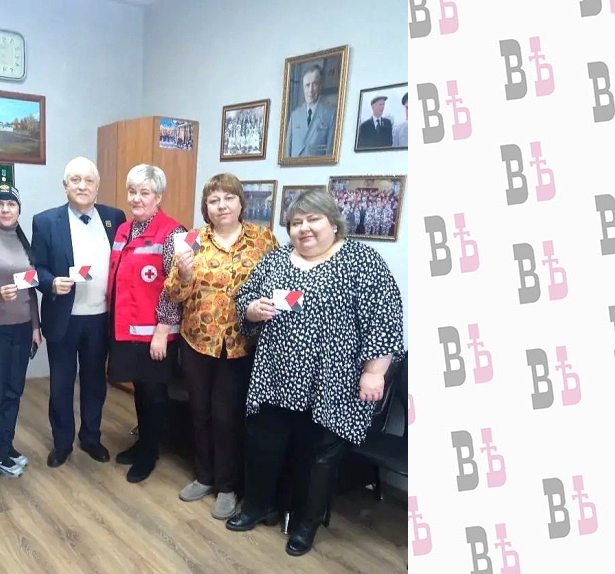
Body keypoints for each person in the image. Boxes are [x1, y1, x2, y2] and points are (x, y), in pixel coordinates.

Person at [225, 189, 405, 557]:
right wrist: (252, 309)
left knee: (317, 457)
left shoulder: (361, 261)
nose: (304, 228)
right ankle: (257, 506)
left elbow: (385, 320)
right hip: (275, 376)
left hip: (331, 382)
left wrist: (374, 372)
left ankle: (305, 525)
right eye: (296, 222)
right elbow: (245, 298)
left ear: (333, 223)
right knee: (263, 445)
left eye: (312, 220)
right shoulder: (276, 259)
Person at [163, 173, 279, 519]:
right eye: (214, 200)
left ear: (242, 203)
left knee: (226, 416)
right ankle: (204, 476)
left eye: (229, 198)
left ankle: (227, 486)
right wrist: (184, 274)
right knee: (199, 411)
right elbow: (173, 293)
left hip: (240, 344)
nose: (222, 206)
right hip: (197, 340)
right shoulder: (192, 240)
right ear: (206, 207)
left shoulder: (263, 240)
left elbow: (276, 284)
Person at [32, 157, 127, 468]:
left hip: (101, 317)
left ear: (97, 186)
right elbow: (37, 268)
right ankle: (62, 443)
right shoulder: (45, 221)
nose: (82, 186)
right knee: (61, 383)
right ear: (65, 186)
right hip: (64, 317)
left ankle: (91, 437)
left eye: (88, 180)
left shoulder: (114, 218)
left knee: (95, 381)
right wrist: (50, 282)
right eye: (75, 180)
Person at [107, 164, 187, 483]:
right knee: (139, 390)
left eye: (144, 192)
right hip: (127, 328)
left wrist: (162, 331)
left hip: (155, 333)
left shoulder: (173, 233)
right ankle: (142, 442)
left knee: (154, 394)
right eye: (132, 192)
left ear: (158, 197)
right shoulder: (124, 230)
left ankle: (150, 453)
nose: (136, 198)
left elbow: (176, 286)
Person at [0, 183, 42, 478]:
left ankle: (5, 444)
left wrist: (35, 326)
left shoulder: (22, 239)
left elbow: (31, 288)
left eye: (11, 204)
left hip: (22, 328)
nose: (5, 209)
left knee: (14, 390)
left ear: (18, 209)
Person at [285, 65, 337, 157]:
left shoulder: (330, 114)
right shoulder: (294, 116)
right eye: (307, 85)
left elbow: (329, 153)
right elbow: (287, 152)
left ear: (320, 86)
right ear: (303, 88)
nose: (310, 90)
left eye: (315, 84)